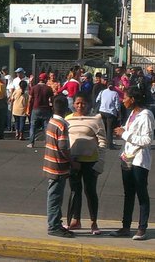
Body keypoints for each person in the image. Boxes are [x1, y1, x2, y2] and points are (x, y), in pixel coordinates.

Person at [111, 86, 154, 241]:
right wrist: (122, 130)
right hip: (127, 157)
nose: (123, 101)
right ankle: (126, 226)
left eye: (125, 98)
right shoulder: (132, 114)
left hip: (139, 160)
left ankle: (142, 228)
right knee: (128, 193)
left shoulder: (146, 115)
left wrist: (125, 134)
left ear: (133, 99)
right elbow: (130, 132)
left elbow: (147, 140)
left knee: (141, 193)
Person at [65, 91, 107, 236]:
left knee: (90, 192)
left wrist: (100, 163)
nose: (80, 106)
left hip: (90, 162)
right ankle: (74, 220)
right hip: (73, 162)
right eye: (77, 103)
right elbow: (64, 140)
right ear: (73, 104)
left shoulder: (96, 119)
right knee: (75, 191)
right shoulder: (68, 119)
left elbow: (102, 141)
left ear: (88, 104)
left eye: (83, 103)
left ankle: (94, 222)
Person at [43, 94, 76, 238]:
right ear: (66, 108)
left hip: (50, 163)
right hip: (58, 166)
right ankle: (54, 225)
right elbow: (63, 146)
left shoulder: (51, 122)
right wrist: (72, 160)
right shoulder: (62, 125)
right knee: (55, 197)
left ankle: (56, 222)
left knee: (54, 196)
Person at [27, 73, 54, 148]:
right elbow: (52, 99)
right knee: (46, 127)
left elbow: (29, 100)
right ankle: (47, 143)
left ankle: (31, 143)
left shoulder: (34, 88)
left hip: (36, 109)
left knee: (33, 126)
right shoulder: (48, 88)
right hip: (46, 109)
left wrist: (28, 109)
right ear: (45, 79)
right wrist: (52, 109)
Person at [97, 76, 120, 149]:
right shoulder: (115, 93)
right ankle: (110, 145)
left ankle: (102, 144)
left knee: (103, 129)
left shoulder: (102, 91)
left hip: (102, 111)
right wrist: (118, 112)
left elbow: (97, 100)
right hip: (110, 113)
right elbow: (117, 105)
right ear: (113, 86)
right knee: (110, 129)